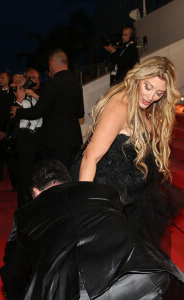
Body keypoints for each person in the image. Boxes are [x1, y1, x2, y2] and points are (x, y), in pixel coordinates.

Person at [0, 160, 184, 300]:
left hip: (88, 291)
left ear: (35, 192)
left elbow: (13, 274)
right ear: (68, 181)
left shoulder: (26, 214)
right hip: (147, 273)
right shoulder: (104, 192)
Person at [74, 56, 180, 247]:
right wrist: (85, 209)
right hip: (110, 196)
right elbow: (90, 157)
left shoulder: (147, 108)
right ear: (138, 78)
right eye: (148, 87)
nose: (150, 97)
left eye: (159, 93)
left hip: (135, 194)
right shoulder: (120, 106)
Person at [11, 49, 84, 169]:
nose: (49, 67)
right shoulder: (76, 84)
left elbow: (38, 111)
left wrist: (18, 111)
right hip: (74, 139)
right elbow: (80, 113)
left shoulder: (52, 84)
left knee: (58, 175)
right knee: (72, 174)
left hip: (57, 141)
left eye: (49, 64)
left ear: (53, 63)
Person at [15, 68, 43, 207]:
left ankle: (38, 205)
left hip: (39, 138)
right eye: (32, 78)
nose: (35, 81)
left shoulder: (42, 95)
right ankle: (24, 207)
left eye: (37, 78)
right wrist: (18, 101)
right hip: (24, 138)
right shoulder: (16, 93)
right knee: (25, 176)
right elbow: (11, 116)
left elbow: (47, 108)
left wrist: (35, 95)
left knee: (39, 176)